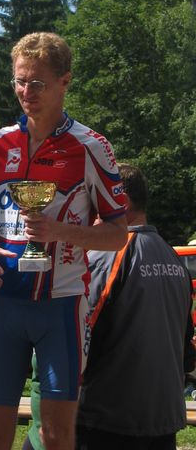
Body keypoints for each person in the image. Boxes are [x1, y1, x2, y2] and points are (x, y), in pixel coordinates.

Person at [0, 32, 127, 450]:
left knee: (55, 437)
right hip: (3, 302)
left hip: (60, 306)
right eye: (20, 81)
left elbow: (118, 234)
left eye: (38, 83)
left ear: (65, 82)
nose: (27, 92)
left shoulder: (91, 147)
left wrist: (61, 232)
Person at [74, 163, 195, 450]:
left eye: (96, 203)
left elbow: (81, 339)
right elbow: (186, 350)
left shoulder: (108, 255)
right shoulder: (172, 257)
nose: (90, 215)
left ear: (122, 202)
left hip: (109, 420)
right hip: (162, 419)